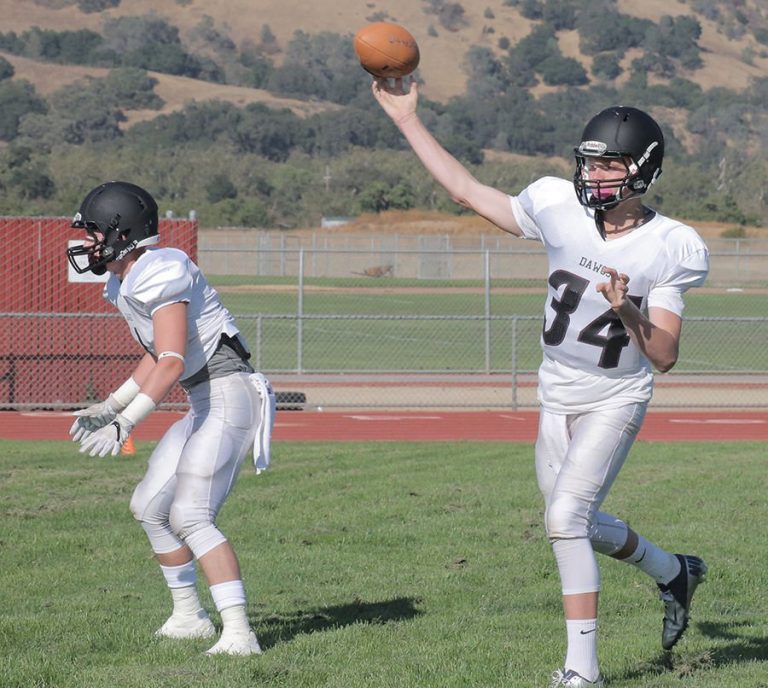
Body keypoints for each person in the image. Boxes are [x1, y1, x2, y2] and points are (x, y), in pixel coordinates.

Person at [372, 78, 709, 687]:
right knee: (572, 517)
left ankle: (582, 672)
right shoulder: (557, 203)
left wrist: (627, 307)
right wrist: (407, 121)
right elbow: (469, 191)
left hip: (615, 395)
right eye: (590, 162)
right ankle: (673, 571)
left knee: (564, 522)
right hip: (555, 391)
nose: (595, 175)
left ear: (644, 172)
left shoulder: (671, 245)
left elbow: (663, 356)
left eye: (610, 165)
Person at [67, 180, 275, 656]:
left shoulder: (160, 268)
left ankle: (240, 634)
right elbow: (155, 353)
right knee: (148, 507)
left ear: (123, 231)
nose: (87, 243)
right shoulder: (124, 280)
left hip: (231, 391)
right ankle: (189, 616)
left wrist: (128, 422)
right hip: (205, 399)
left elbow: (172, 363)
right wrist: (111, 406)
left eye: (95, 232)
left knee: (190, 514)